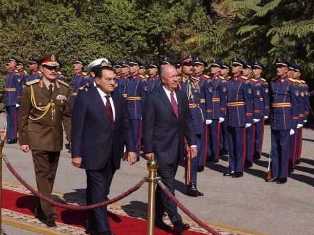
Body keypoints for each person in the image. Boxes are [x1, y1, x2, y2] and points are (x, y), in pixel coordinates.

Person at [71, 59, 137, 235]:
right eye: (108, 79)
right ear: (97, 80)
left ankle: (92, 223)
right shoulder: (85, 97)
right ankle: (103, 230)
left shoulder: (118, 97)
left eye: (114, 79)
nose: (112, 82)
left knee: (101, 191)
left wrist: (131, 148)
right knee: (99, 192)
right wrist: (76, 153)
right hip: (93, 153)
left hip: (113, 154)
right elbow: (77, 127)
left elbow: (126, 124)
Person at [143, 64, 196, 235]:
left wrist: (192, 143)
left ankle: (157, 217)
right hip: (160, 149)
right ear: (163, 78)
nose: (177, 79)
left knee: (163, 186)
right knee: (168, 185)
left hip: (177, 148)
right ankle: (176, 221)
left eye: (177, 76)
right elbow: (148, 125)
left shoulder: (181, 95)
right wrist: (148, 149)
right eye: (173, 76)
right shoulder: (153, 97)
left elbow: (187, 120)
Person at [19, 55, 71, 226]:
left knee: (50, 174)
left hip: (55, 138)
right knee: (42, 173)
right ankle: (48, 213)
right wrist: (24, 139)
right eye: (49, 67)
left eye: (55, 67)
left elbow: (67, 116)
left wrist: (72, 139)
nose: (53, 70)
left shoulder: (64, 88)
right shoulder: (31, 88)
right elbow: (23, 116)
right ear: (41, 69)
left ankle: (41, 205)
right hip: (38, 137)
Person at [269, 61, 297, 184]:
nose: (278, 69)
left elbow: (296, 105)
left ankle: (283, 175)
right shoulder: (273, 83)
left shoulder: (291, 84)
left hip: (286, 119)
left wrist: (294, 124)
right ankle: (274, 173)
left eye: (281, 67)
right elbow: (270, 102)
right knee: (274, 148)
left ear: (286, 69)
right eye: (277, 67)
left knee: (284, 148)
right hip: (275, 118)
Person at [4, 58, 20, 144]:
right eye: (9, 62)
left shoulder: (16, 75)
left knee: (14, 120)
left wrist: (18, 101)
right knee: (9, 119)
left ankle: (13, 137)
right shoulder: (8, 74)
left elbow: (18, 88)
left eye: (11, 62)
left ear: (15, 64)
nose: (9, 64)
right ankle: (9, 136)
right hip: (8, 100)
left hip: (13, 100)